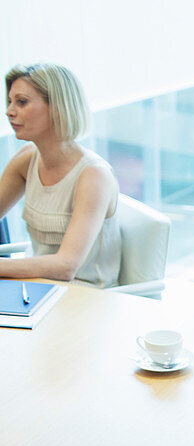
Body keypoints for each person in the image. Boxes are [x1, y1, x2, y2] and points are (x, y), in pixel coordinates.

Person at [0, 63, 120, 287]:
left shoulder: (94, 176)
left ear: (57, 107)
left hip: (87, 296)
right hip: (40, 288)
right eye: (10, 101)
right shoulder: (27, 159)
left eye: (22, 102)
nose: (9, 111)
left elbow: (66, 266)